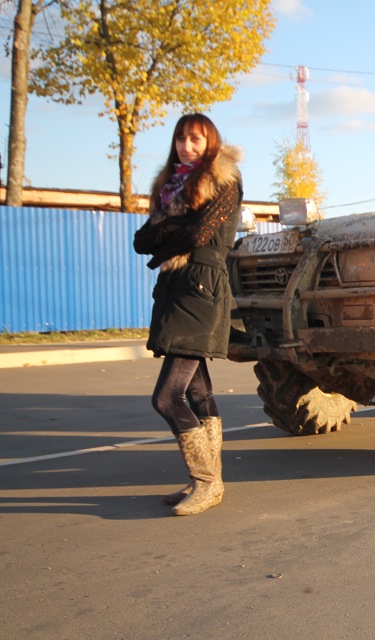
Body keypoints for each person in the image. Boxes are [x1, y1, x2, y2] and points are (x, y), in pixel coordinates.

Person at [133, 113, 243, 516]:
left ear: (209, 142)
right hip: (175, 289)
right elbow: (140, 240)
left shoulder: (224, 180)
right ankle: (206, 480)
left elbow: (200, 235)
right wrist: (169, 232)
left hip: (202, 291)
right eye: (181, 138)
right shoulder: (168, 187)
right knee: (198, 393)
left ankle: (208, 481)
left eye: (195, 139)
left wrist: (166, 232)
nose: (187, 146)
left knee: (166, 397)